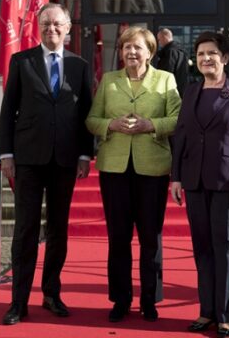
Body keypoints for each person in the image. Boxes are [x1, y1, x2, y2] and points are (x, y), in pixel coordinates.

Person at [0, 3, 94, 326]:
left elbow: (86, 116)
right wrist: (5, 154)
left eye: (57, 24)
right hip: (27, 159)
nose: (51, 29)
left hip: (65, 160)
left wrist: (84, 154)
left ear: (68, 28)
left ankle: (51, 293)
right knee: (25, 229)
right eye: (46, 24)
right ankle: (18, 301)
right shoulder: (21, 61)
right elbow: (8, 110)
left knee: (57, 230)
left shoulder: (80, 66)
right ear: (39, 28)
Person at [86, 26, 181, 323]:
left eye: (137, 47)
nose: (131, 52)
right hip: (114, 167)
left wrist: (151, 125)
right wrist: (108, 126)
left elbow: (178, 118)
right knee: (118, 237)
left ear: (150, 52)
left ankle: (150, 299)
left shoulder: (166, 80)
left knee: (151, 238)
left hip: (152, 168)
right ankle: (121, 298)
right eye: (126, 47)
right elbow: (91, 119)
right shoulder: (109, 81)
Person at [170, 31, 229, 338]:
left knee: (226, 249)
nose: (205, 59)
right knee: (203, 249)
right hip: (195, 180)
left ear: (224, 58)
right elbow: (181, 134)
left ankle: (226, 315)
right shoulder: (192, 91)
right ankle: (206, 311)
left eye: (211, 53)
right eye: (200, 55)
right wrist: (176, 176)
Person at [155, 28, 189, 96]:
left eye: (159, 39)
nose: (159, 42)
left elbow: (167, 71)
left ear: (165, 37)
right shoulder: (181, 50)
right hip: (182, 86)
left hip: (171, 88)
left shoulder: (170, 52)